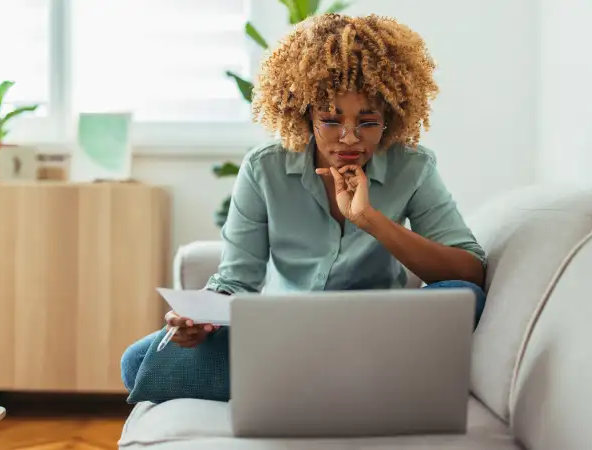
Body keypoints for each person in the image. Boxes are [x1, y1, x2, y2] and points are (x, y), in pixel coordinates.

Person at [121, 13, 487, 392]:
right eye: (330, 120)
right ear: (305, 114)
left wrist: (369, 218)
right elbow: (235, 280)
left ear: (390, 117)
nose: (349, 139)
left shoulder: (412, 166)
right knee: (136, 363)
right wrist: (200, 319)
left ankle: (302, 382)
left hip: (373, 333)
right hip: (282, 333)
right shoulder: (265, 167)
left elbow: (469, 274)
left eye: (367, 122)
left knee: (465, 297)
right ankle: (342, 382)